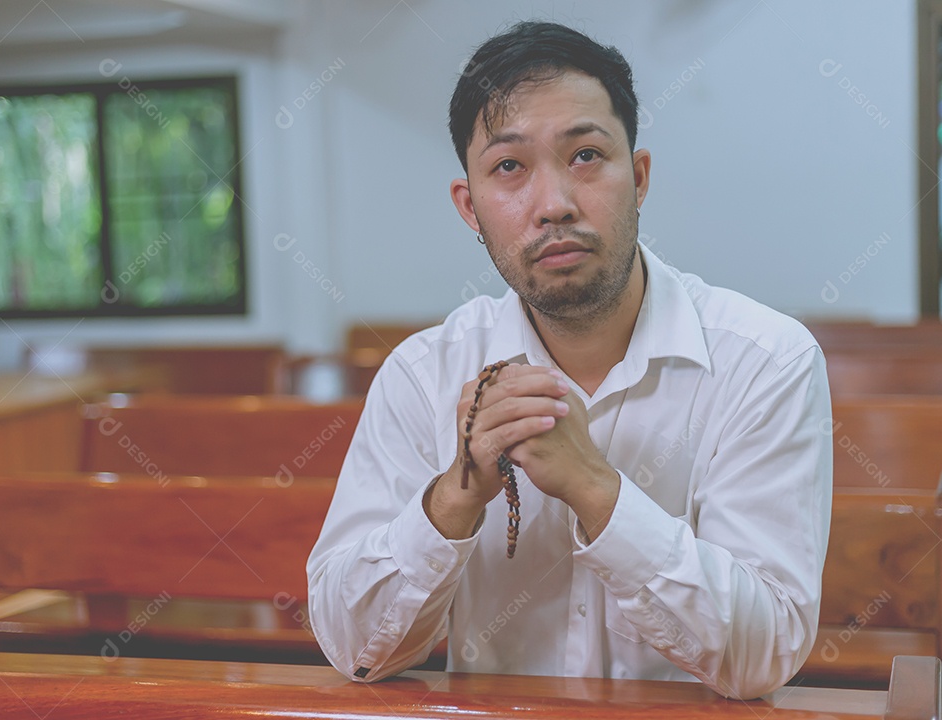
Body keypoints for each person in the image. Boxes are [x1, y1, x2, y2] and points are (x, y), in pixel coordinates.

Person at [306, 20, 831, 700]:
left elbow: (764, 656)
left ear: (638, 177)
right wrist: (455, 497)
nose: (552, 205)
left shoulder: (765, 362)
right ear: (470, 207)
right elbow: (356, 651)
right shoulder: (422, 375)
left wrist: (595, 488)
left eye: (586, 155)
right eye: (509, 167)